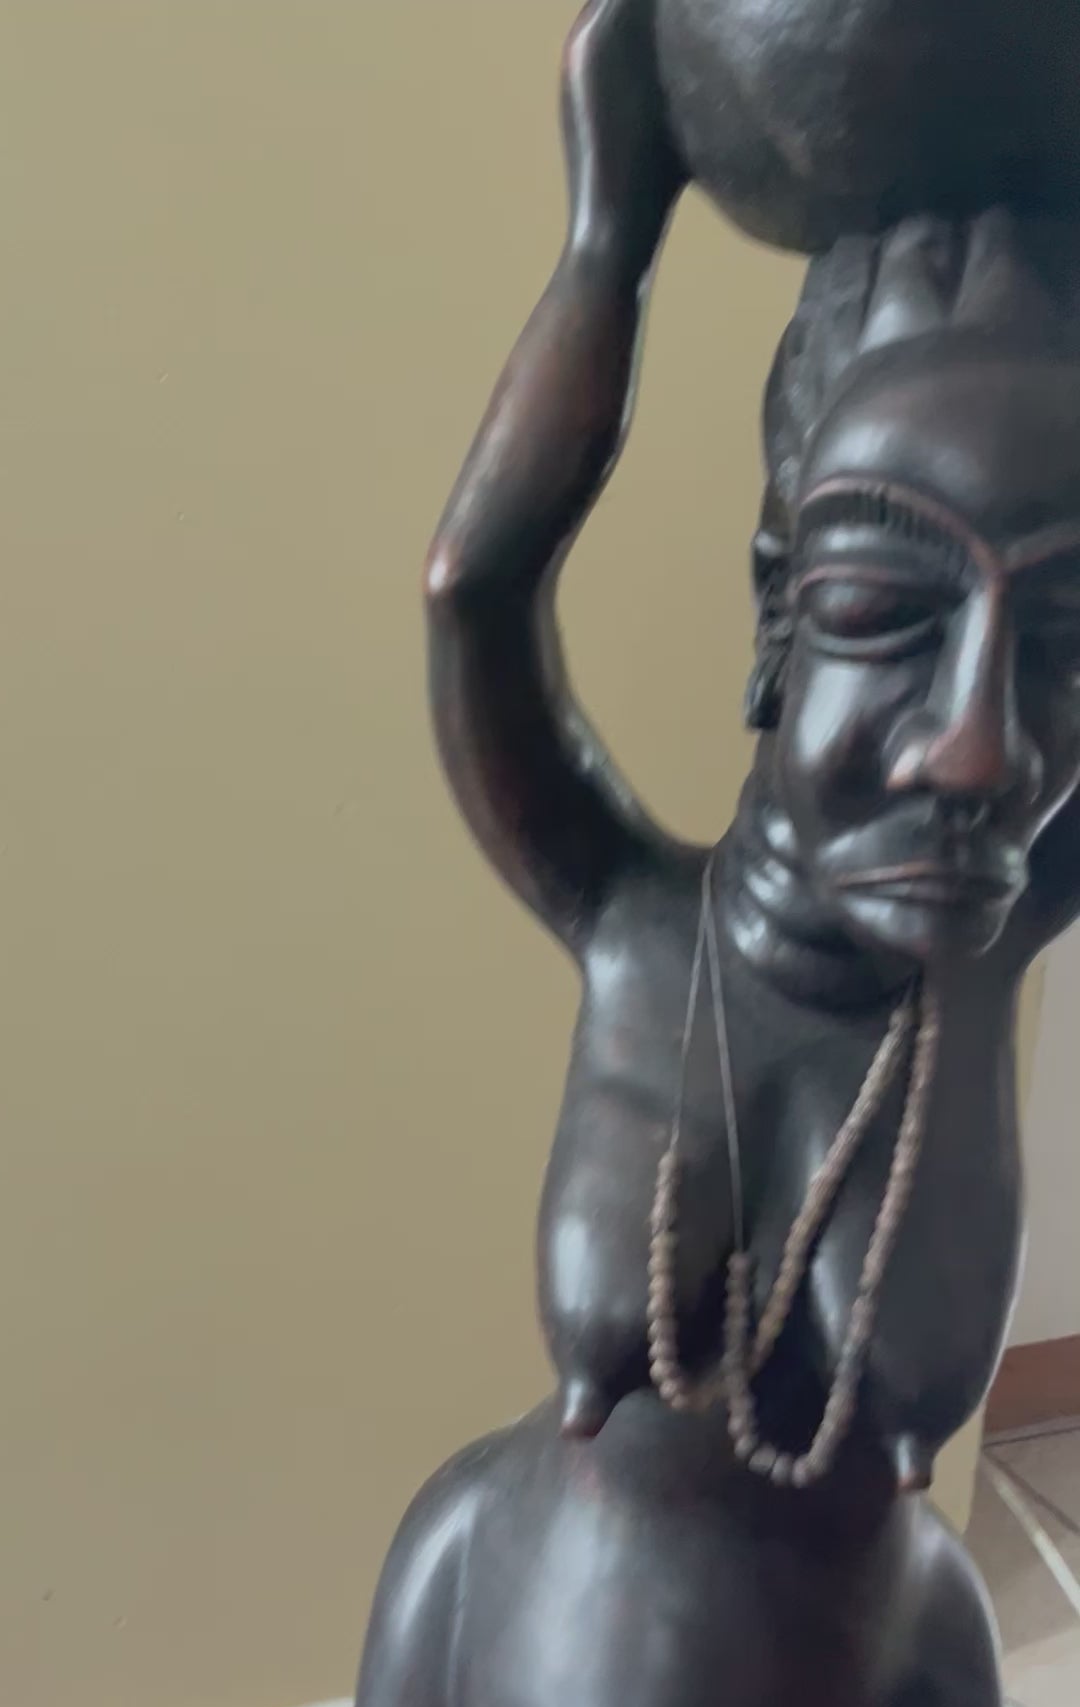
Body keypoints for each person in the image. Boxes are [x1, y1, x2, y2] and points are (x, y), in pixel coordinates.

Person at [425, 2, 1080, 1482]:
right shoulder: (629, 919)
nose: (979, 752)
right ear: (778, 609)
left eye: (1064, 642)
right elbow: (473, 593)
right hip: (508, 1594)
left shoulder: (988, 953)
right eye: (881, 613)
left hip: (893, 1636)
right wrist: (609, 237)